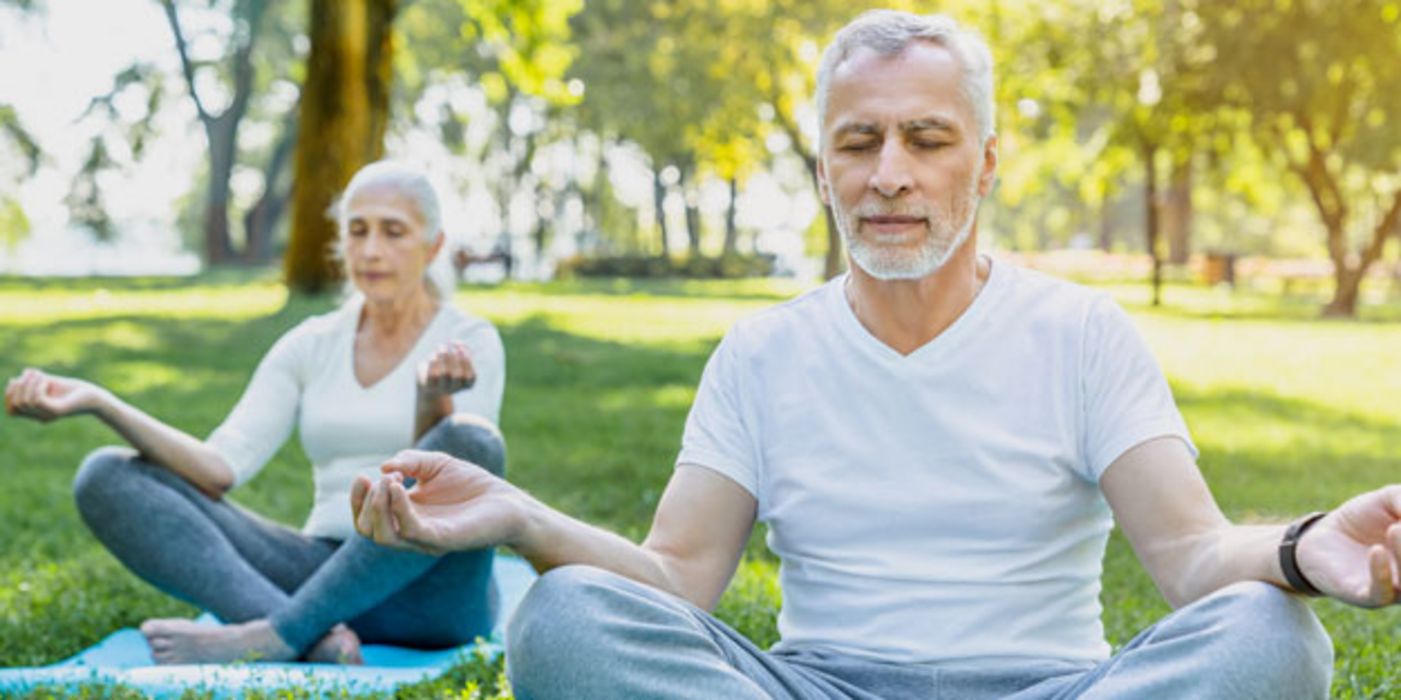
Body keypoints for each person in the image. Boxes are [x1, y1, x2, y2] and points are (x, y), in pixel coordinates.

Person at [350, 12, 1400, 699]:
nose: (889, 174)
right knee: (566, 617)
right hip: (819, 685)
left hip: (1055, 686)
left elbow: (1192, 560)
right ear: (822, 170)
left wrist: (1308, 550)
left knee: (1276, 638)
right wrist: (520, 516)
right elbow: (677, 579)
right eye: (859, 144)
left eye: (928, 141)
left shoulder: (1082, 333)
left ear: (985, 164)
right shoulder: (762, 353)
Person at [3, 161, 507, 665]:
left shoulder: (469, 339)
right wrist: (99, 401)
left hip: (439, 598)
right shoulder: (310, 344)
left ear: (433, 245)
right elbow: (220, 466)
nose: (371, 249)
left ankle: (278, 636)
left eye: (393, 232)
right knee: (105, 475)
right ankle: (312, 641)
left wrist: (431, 399)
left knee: (473, 440)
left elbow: (453, 485)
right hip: (323, 577)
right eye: (358, 230)